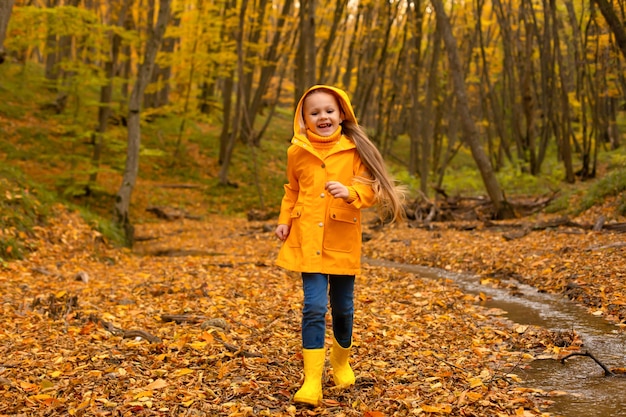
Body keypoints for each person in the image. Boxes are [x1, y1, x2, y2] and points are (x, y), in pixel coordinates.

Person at [275, 85, 405, 407]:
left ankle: (341, 360)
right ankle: (312, 381)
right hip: (307, 239)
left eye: (329, 111)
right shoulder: (297, 152)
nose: (323, 117)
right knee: (314, 307)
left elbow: (370, 190)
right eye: (315, 112)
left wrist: (350, 193)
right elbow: (292, 190)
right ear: (303, 119)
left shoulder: (354, 150)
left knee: (343, 308)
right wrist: (285, 219)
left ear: (341, 114)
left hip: (342, 239)